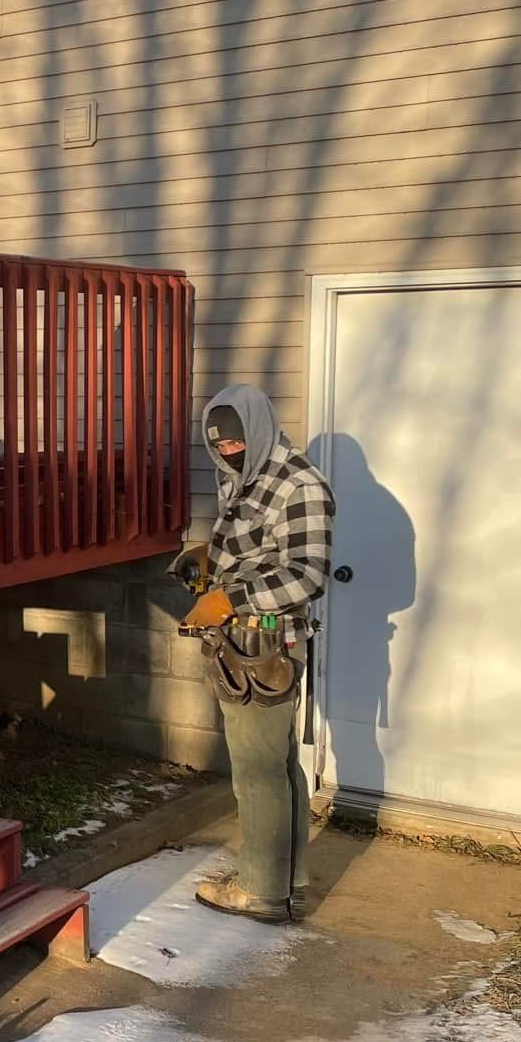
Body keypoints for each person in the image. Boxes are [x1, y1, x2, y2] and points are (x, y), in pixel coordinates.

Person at [173, 384, 335, 923]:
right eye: (217, 447)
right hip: (241, 638)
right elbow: (259, 548)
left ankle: (260, 892)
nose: (227, 453)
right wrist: (208, 556)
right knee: (280, 763)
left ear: (259, 430)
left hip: (265, 643)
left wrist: (226, 597)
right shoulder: (248, 477)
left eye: (236, 444)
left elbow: (307, 575)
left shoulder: (299, 485)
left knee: (256, 770)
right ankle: (286, 879)